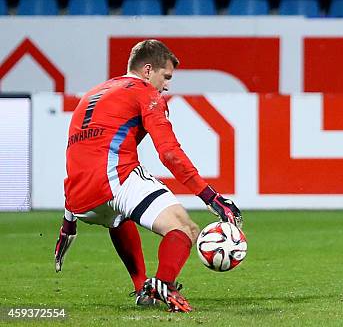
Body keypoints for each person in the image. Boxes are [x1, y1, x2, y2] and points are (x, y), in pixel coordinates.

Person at [53, 40, 242, 313]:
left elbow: (80, 154)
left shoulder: (93, 94)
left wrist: (68, 222)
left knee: (118, 216)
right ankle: (164, 283)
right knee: (185, 229)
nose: (166, 86)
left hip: (79, 199)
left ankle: (143, 287)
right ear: (148, 70)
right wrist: (211, 197)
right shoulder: (145, 93)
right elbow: (169, 153)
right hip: (116, 180)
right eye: (165, 77)